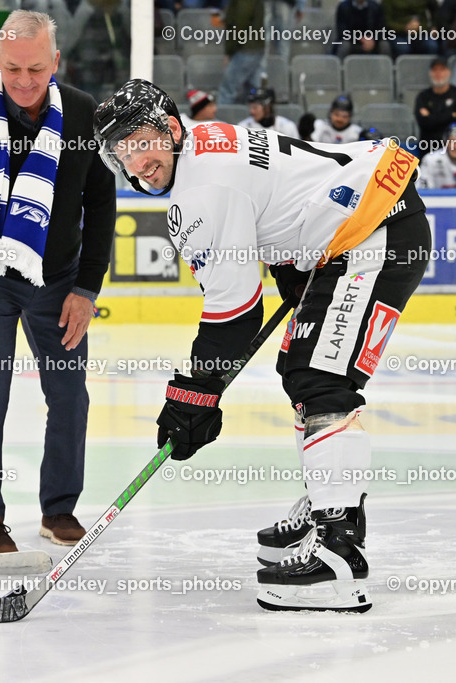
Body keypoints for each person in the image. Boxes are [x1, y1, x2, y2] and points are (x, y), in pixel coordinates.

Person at [93, 79, 430, 612]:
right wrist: (293, 262)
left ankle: (339, 554)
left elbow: (234, 313)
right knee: (301, 371)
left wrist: (192, 396)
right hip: (359, 219)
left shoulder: (203, 188)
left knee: (323, 382)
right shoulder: (201, 148)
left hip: (373, 230)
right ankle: (326, 503)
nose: (136, 164)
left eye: (141, 142)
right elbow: (273, 196)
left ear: (171, 128)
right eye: (121, 154)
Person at [0, 10, 116, 555]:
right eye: (13, 68)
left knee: (69, 395)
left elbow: (101, 208)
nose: (24, 80)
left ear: (55, 61)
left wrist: (86, 290)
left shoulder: (87, 118)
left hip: (59, 282)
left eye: (36, 68)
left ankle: (58, 508)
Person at [414, 56, 456, 156]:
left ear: (449, 72)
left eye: (442, 70)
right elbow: (424, 124)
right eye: (435, 70)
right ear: (430, 73)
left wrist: (432, 117)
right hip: (429, 150)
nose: (438, 74)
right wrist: (451, 114)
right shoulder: (423, 96)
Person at [218, 0, 267, 105]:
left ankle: (221, 119)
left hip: (245, 50)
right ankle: (251, 119)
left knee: (227, 91)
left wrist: (229, 51)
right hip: (254, 49)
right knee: (253, 92)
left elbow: (240, 26)